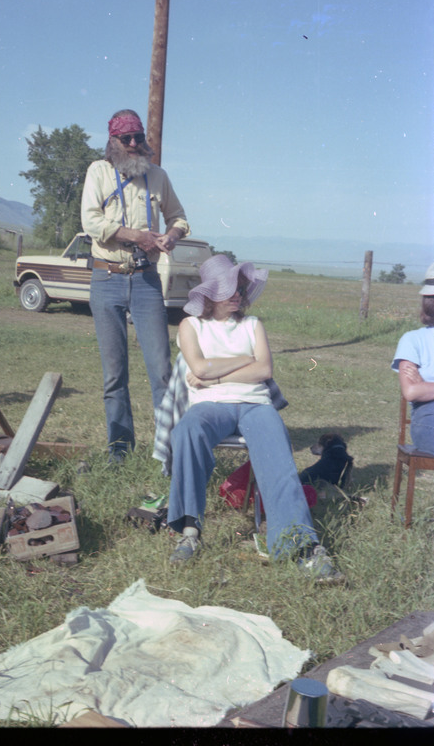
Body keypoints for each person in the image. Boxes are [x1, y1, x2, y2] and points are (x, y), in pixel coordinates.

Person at [165, 253, 344, 582]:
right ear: (210, 294)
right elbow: (199, 367)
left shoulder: (252, 324)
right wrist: (240, 361)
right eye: (231, 287)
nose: (238, 293)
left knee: (278, 452)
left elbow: (263, 369)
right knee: (187, 431)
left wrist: (215, 374)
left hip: (255, 404)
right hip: (210, 407)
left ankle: (302, 547)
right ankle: (190, 531)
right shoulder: (191, 325)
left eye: (241, 287)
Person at [81, 109, 190, 461]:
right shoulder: (98, 172)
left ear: (145, 139)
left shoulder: (158, 176)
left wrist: (171, 236)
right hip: (106, 278)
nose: (132, 144)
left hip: (145, 281)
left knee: (161, 370)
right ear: (112, 142)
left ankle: (169, 454)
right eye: (124, 138)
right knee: (114, 375)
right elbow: (91, 221)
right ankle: (120, 454)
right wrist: (138, 236)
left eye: (137, 137)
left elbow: (179, 218)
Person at [391, 261, 434, 457]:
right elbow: (411, 391)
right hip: (430, 417)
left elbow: (419, 389)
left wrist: (427, 386)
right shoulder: (413, 339)